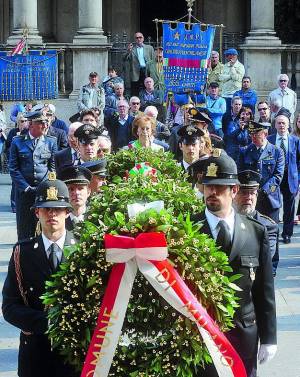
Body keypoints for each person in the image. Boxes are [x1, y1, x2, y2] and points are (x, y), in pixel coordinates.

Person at [191, 152, 277, 377]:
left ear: (234, 190)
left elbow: (264, 289)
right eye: (208, 186)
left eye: (220, 187)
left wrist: (269, 338)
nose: (212, 192)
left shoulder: (255, 232)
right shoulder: (188, 229)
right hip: (201, 338)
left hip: (243, 336)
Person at [2, 174, 78, 377]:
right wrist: (46, 323)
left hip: (74, 353)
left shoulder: (82, 250)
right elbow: (9, 306)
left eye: (57, 209)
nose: (51, 214)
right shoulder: (23, 252)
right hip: (36, 352)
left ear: (67, 213)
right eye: (46, 208)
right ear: (37, 212)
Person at [9, 111, 57, 240]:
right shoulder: (17, 142)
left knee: (45, 228)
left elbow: (52, 169)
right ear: (31, 125)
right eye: (41, 123)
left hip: (44, 192)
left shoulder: (51, 142)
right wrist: (26, 188)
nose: (45, 125)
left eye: (46, 122)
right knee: (24, 229)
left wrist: (45, 186)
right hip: (24, 193)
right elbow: (13, 169)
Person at [234, 170, 279, 276]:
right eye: (243, 193)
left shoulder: (268, 226)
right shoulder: (226, 222)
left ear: (257, 196)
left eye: (252, 193)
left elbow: (264, 258)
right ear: (234, 194)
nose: (248, 197)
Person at [238, 121, 285, 223]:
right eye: (251, 134)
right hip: (250, 198)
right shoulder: (245, 151)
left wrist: (263, 191)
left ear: (265, 134)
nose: (253, 137)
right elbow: (240, 172)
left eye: (256, 134)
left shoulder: (277, 152)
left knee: (271, 232)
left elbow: (278, 176)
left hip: (270, 198)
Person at [268, 114, 300, 243]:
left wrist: (298, 177)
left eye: (283, 123)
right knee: (273, 205)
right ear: (275, 125)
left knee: (289, 207)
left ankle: (287, 233)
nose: (281, 125)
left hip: (290, 177)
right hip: (274, 177)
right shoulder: (270, 139)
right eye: (279, 123)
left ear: (288, 125)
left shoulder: (295, 141)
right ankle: (273, 232)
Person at [6, 113, 29, 212]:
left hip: (25, 161)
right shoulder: (13, 132)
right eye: (21, 121)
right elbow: (7, 146)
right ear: (18, 122)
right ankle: (14, 205)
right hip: (15, 160)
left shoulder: (28, 132)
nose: (23, 123)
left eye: (25, 121)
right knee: (15, 183)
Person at [60, 166, 92, 231]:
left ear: (88, 192)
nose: (76, 193)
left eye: (80, 188)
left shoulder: (96, 215)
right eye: (71, 189)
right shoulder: (59, 219)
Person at [123, 32, 155, 96]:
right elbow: (124, 58)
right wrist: (128, 51)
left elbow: (153, 60)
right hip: (135, 72)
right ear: (135, 39)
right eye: (137, 38)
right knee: (135, 90)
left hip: (146, 70)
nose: (139, 39)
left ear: (143, 38)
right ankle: (135, 103)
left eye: (140, 37)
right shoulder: (132, 49)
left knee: (147, 88)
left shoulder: (149, 48)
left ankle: (147, 103)